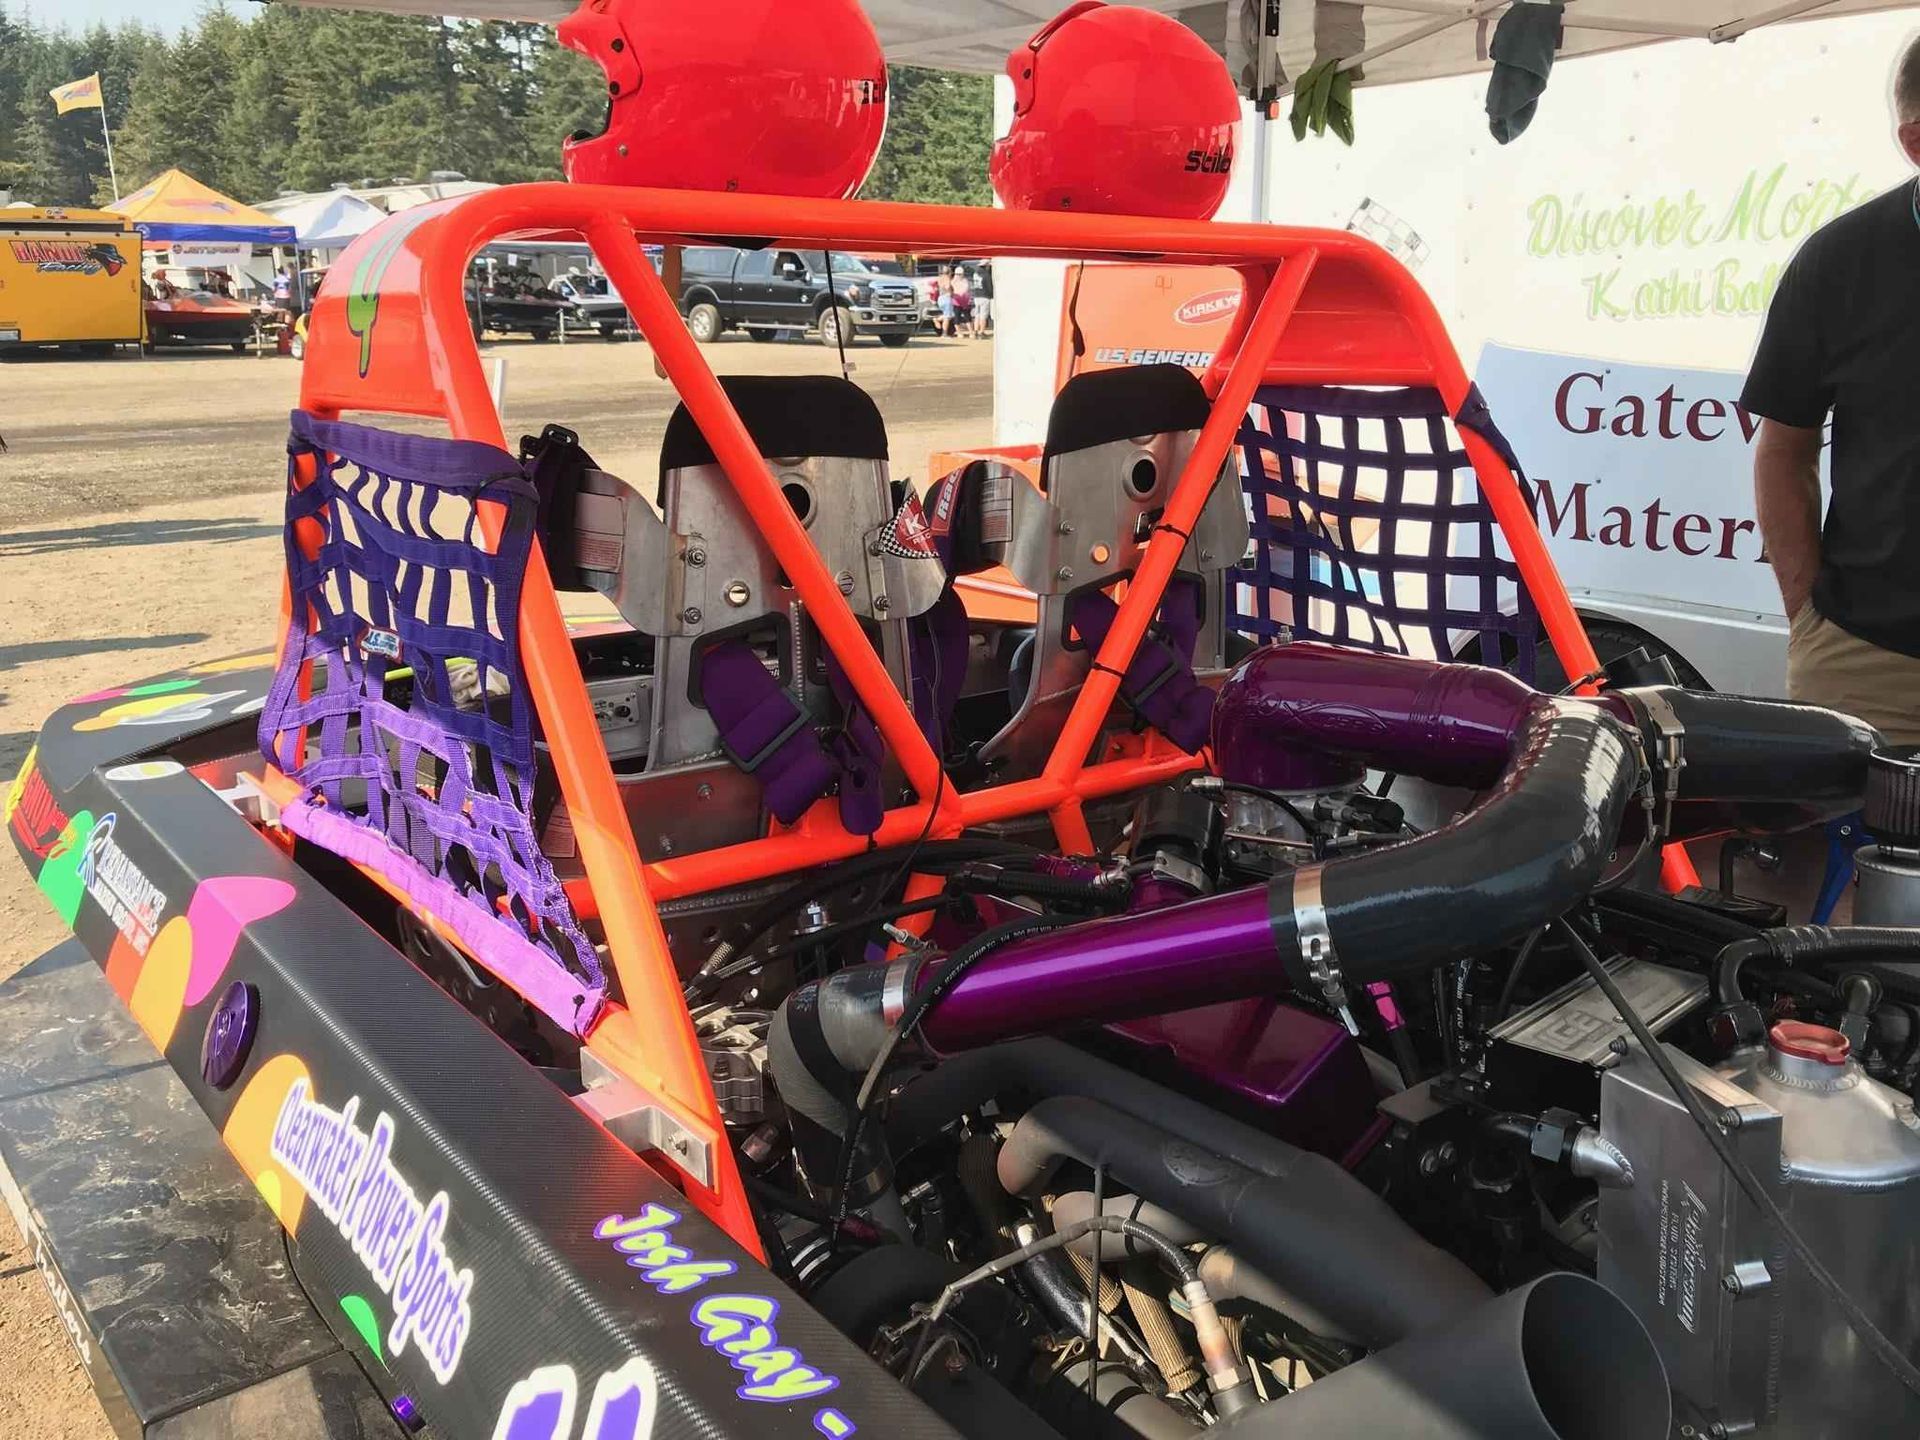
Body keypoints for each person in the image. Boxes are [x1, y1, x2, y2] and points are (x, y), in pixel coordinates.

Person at [1742, 35, 1920, 745]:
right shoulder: (1840, 263)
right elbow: (1782, 450)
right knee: (1862, 858)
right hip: (1870, 665)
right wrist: (1807, 618)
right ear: (1916, 141)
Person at [970, 262, 993, 338]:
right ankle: (981, 332)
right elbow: (989, 287)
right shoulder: (986, 275)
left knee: (977, 315)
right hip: (984, 296)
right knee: (983, 316)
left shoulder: (975, 274)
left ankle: (975, 331)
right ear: (986, 266)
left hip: (976, 296)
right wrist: (991, 295)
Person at [950, 264, 973, 337]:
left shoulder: (954, 281)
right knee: (961, 317)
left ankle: (968, 332)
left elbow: (965, 289)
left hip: (959, 300)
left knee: (965, 317)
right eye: (957, 274)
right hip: (961, 300)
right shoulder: (959, 281)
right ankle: (964, 332)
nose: (958, 275)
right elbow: (966, 289)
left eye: (959, 274)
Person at [935, 265, 955, 337]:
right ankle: (944, 333)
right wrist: (951, 290)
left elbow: (937, 288)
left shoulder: (939, 278)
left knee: (948, 315)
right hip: (946, 298)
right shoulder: (947, 278)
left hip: (940, 298)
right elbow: (947, 287)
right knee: (947, 317)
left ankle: (937, 319)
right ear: (949, 272)